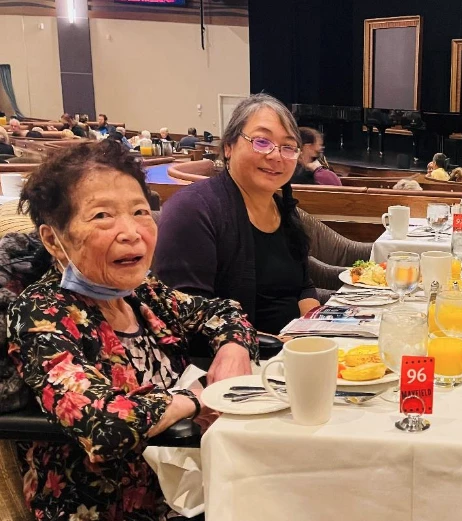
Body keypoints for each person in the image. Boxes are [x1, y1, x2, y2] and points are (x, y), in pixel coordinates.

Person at [7, 139, 257, 519]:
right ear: (53, 240)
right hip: (109, 507)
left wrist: (233, 347)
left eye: (140, 211)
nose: (131, 232)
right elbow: (104, 425)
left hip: (191, 490)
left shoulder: (142, 292)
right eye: (102, 216)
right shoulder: (41, 313)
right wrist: (198, 396)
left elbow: (221, 310)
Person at [154, 94, 320, 336]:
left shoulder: (283, 209)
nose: (276, 156)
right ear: (229, 147)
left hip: (291, 356)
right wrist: (281, 345)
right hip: (235, 363)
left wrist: (314, 331)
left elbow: (304, 288)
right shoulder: (194, 210)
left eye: (288, 147)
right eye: (262, 142)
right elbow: (188, 319)